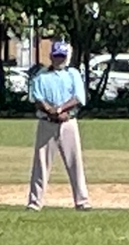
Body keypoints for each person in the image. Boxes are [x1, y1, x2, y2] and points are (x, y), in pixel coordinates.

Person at [27, 40, 91, 212]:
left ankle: (82, 201)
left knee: (75, 162)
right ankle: (35, 202)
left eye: (62, 56)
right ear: (51, 57)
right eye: (56, 56)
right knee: (41, 164)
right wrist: (51, 111)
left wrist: (62, 109)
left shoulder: (73, 74)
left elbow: (78, 97)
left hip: (68, 122)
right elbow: (37, 98)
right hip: (46, 123)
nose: (59, 59)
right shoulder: (41, 75)